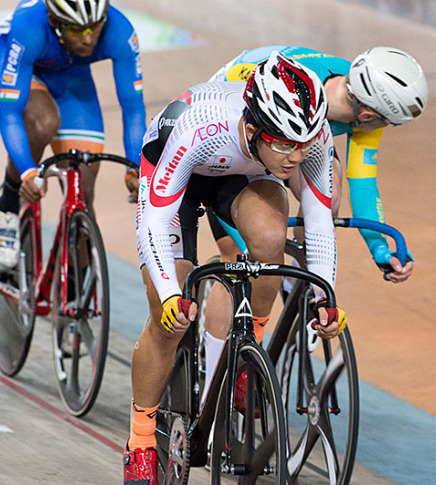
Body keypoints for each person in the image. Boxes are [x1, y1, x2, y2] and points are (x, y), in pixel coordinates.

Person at [123, 52, 341, 484]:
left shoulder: (307, 139)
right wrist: (169, 293)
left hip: (239, 174)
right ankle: (141, 440)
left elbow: (319, 220)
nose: (296, 157)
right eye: (284, 144)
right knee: (169, 319)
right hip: (176, 178)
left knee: (271, 240)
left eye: (304, 144)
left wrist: (325, 297)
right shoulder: (200, 126)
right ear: (255, 128)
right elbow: (155, 218)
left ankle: (246, 356)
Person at [206, 45, 428, 284]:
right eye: (390, 123)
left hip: (298, 139)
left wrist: (380, 249)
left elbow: (363, 186)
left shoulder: (361, 96)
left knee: (328, 198)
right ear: (368, 117)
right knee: (235, 255)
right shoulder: (289, 83)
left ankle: (298, 283)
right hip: (240, 131)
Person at [0, 0, 146, 268]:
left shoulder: (120, 30)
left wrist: (135, 167)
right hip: (20, 65)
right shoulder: (29, 27)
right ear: (54, 22)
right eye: (77, 29)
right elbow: (11, 113)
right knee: (43, 121)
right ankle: (8, 202)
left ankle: (76, 290)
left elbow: (133, 108)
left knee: (83, 191)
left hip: (72, 76)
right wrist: (27, 172)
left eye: (95, 27)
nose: (88, 39)